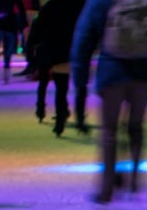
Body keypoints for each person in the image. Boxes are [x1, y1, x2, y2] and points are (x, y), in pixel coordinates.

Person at [71, 0, 147, 204]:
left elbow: (83, 36)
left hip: (112, 72)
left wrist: (80, 78)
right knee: (136, 127)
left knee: (109, 131)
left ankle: (107, 188)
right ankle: (134, 183)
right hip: (146, 73)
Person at [28, 0, 86, 136]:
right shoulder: (77, 6)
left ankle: (44, 111)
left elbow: (37, 29)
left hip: (50, 50)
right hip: (67, 50)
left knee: (48, 83)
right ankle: (66, 118)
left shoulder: (49, 6)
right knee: (65, 87)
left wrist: (33, 49)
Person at [0, 0, 26, 84]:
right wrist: (23, 22)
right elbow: (20, 6)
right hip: (9, 22)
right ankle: (6, 68)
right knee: (7, 48)